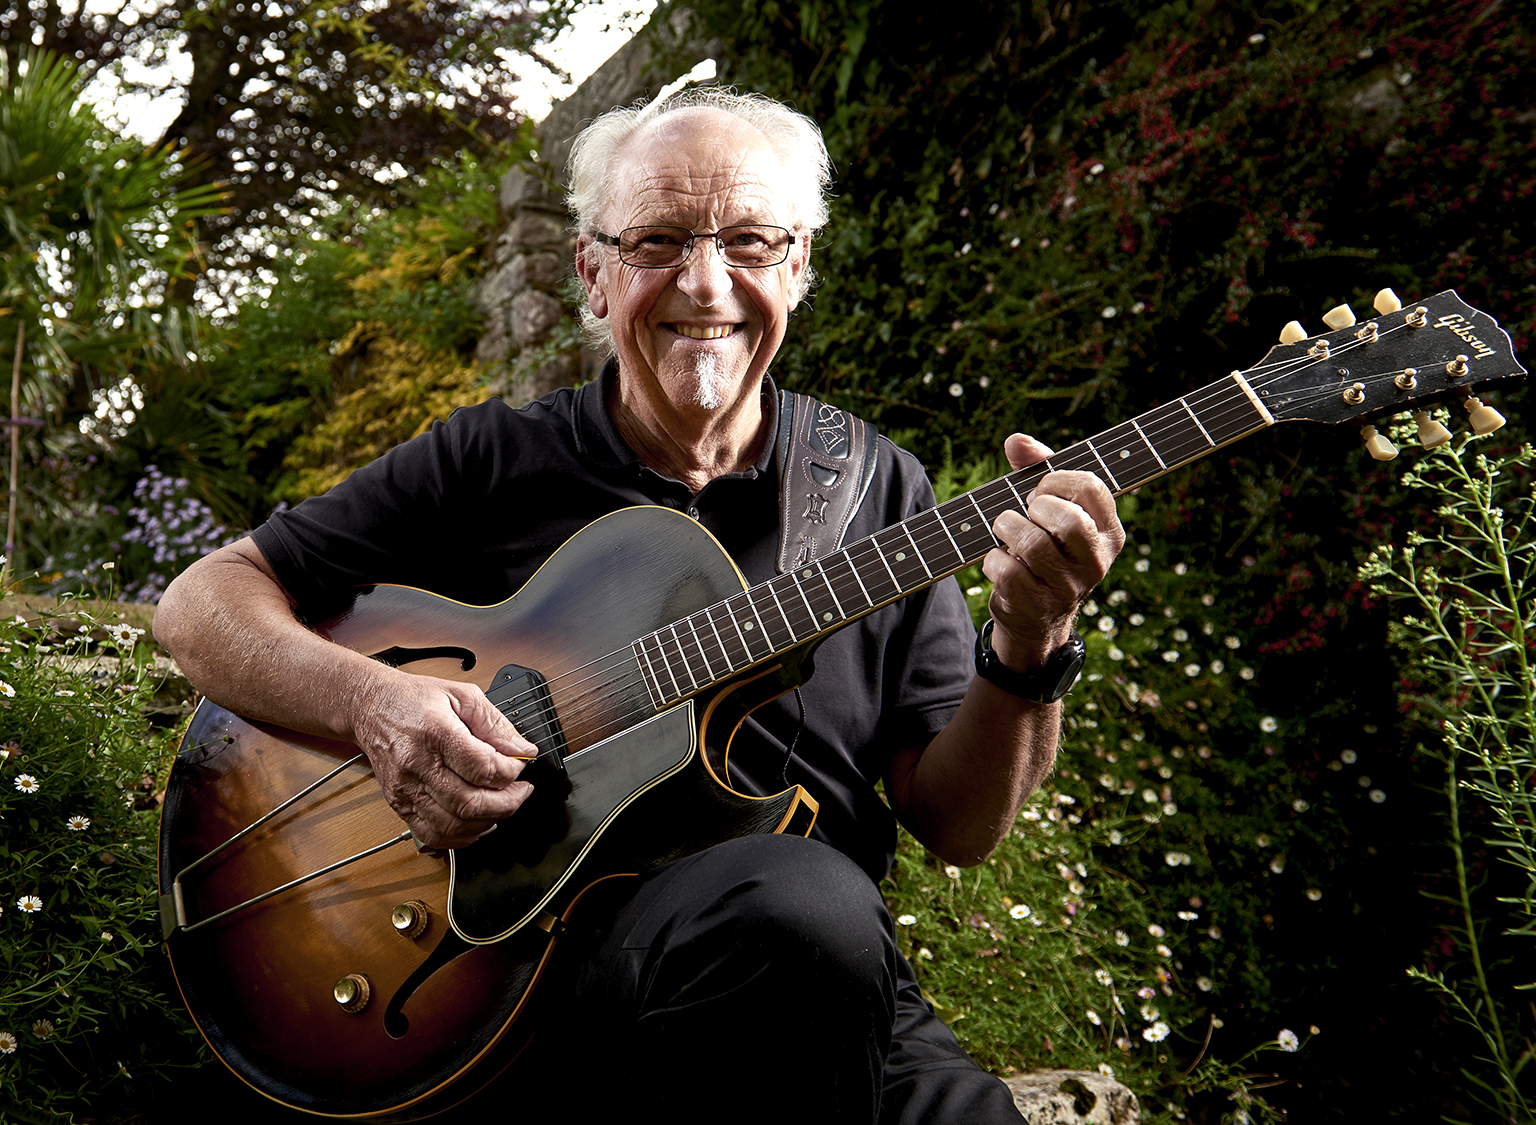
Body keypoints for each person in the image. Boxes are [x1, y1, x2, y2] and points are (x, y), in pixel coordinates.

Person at [154, 86, 1124, 1124]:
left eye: (750, 242)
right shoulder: (493, 462)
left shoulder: (878, 492)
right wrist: (370, 707)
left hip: (827, 993)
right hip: (548, 989)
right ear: (592, 272)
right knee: (802, 901)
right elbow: (202, 605)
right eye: (657, 241)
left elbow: (958, 826)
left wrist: (1027, 642)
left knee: (821, 927)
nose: (705, 284)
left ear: (797, 266)